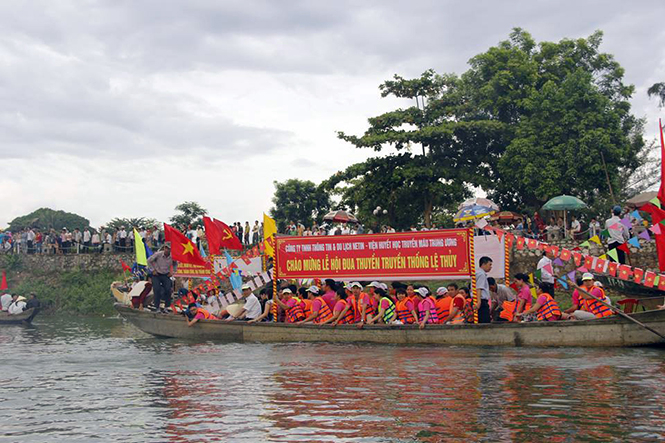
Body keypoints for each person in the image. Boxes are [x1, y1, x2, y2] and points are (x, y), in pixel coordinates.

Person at [147, 243, 178, 313]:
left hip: (165, 274)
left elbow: (175, 264)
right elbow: (149, 260)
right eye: (166, 248)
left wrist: (172, 272)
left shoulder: (172, 257)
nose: (167, 250)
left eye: (169, 249)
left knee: (168, 290)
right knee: (157, 289)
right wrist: (153, 270)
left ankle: (166, 307)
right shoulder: (158, 254)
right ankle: (157, 307)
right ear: (164, 248)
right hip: (156, 274)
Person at [475, 256, 493, 323]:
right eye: (489, 264)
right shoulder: (481, 274)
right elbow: (479, 288)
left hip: (479, 300)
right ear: (483, 264)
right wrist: (479, 302)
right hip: (481, 301)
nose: (490, 267)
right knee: (484, 322)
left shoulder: (477, 272)